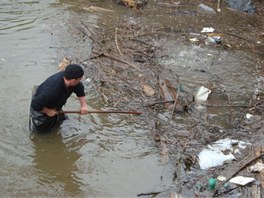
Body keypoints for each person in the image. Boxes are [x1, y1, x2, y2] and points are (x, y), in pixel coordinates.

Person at [29, 64, 88, 132]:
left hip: (55, 104)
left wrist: (83, 106)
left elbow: (79, 88)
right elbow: (35, 104)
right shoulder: (51, 91)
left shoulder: (69, 79)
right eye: (80, 79)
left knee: (61, 121)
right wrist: (48, 111)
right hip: (40, 107)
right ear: (73, 80)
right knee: (43, 132)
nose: (80, 80)